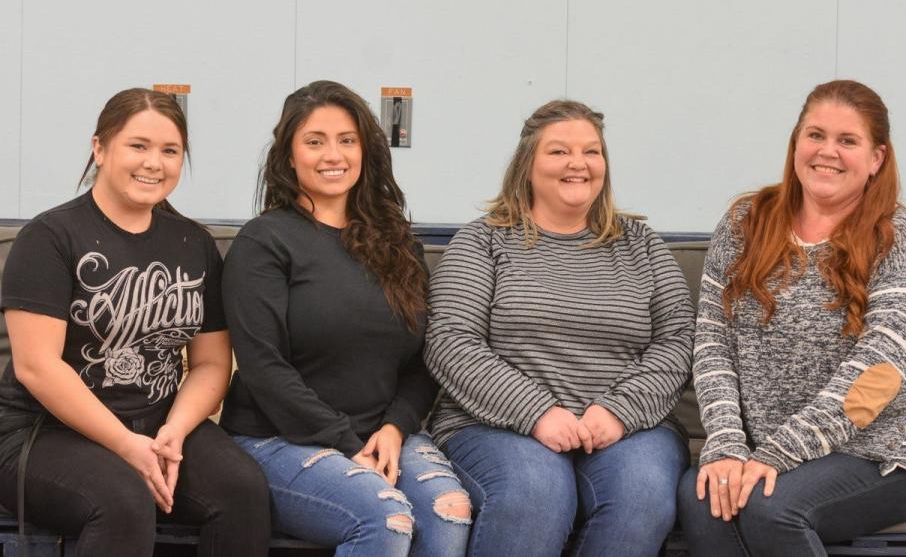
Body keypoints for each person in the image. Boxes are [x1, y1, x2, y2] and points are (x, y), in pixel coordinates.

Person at [677, 79, 906, 556]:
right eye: (816, 135)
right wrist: (725, 444)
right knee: (702, 497)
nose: (828, 152)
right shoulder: (746, 222)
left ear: (876, 159)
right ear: (796, 143)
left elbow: (879, 374)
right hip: (772, 452)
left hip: (892, 455)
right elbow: (712, 344)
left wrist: (778, 454)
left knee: (772, 507)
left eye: (848, 141)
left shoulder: (902, 237)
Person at [0, 88, 271, 556]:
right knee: (124, 500)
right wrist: (127, 444)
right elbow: (36, 367)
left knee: (242, 489)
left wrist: (176, 430)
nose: (154, 163)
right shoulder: (49, 237)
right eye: (138, 146)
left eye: (170, 151)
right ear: (100, 149)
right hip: (45, 433)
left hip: (159, 421)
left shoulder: (194, 244)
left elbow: (210, 364)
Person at [425, 99, 694, 556]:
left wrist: (619, 411)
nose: (578, 164)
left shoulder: (641, 245)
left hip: (627, 428)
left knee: (643, 496)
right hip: (495, 426)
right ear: (527, 164)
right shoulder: (483, 240)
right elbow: (450, 341)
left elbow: (680, 339)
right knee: (537, 493)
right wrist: (537, 412)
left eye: (591, 151)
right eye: (559, 151)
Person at [219, 80, 471, 557]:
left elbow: (421, 361)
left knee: (449, 511)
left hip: (382, 434)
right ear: (289, 156)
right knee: (386, 518)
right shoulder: (264, 242)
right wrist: (344, 443)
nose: (332, 154)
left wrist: (396, 427)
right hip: (277, 438)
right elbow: (263, 367)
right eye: (314, 141)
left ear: (365, 151)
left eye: (346, 140)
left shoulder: (397, 243)